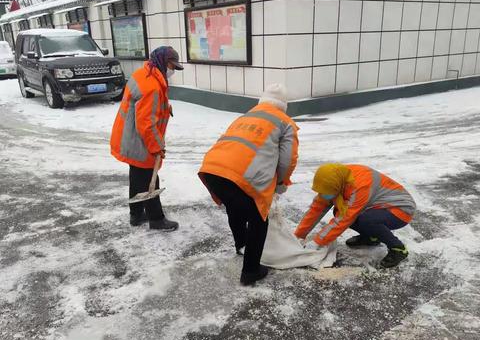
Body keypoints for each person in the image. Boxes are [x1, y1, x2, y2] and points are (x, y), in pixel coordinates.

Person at [199, 84, 299, 285]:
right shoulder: (285, 122)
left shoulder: (246, 116)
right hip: (240, 176)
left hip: (211, 169)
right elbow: (288, 159)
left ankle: (241, 245)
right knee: (258, 220)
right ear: (284, 105)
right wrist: (280, 183)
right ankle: (251, 270)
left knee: (235, 208)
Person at [110, 46, 183, 231]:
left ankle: (136, 214)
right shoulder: (152, 87)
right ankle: (156, 219)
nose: (172, 70)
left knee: (136, 178)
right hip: (140, 141)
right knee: (150, 179)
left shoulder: (144, 74)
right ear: (162, 62)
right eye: (171, 66)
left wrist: (164, 108)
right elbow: (147, 124)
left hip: (129, 136)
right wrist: (157, 147)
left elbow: (143, 108)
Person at [295, 163, 416, 268]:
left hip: (400, 210)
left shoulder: (359, 185)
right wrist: (299, 235)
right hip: (376, 208)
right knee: (339, 211)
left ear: (337, 186)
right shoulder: (335, 180)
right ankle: (371, 238)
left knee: (366, 220)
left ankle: (398, 249)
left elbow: (345, 218)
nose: (324, 195)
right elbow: (317, 209)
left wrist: (318, 241)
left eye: (327, 193)